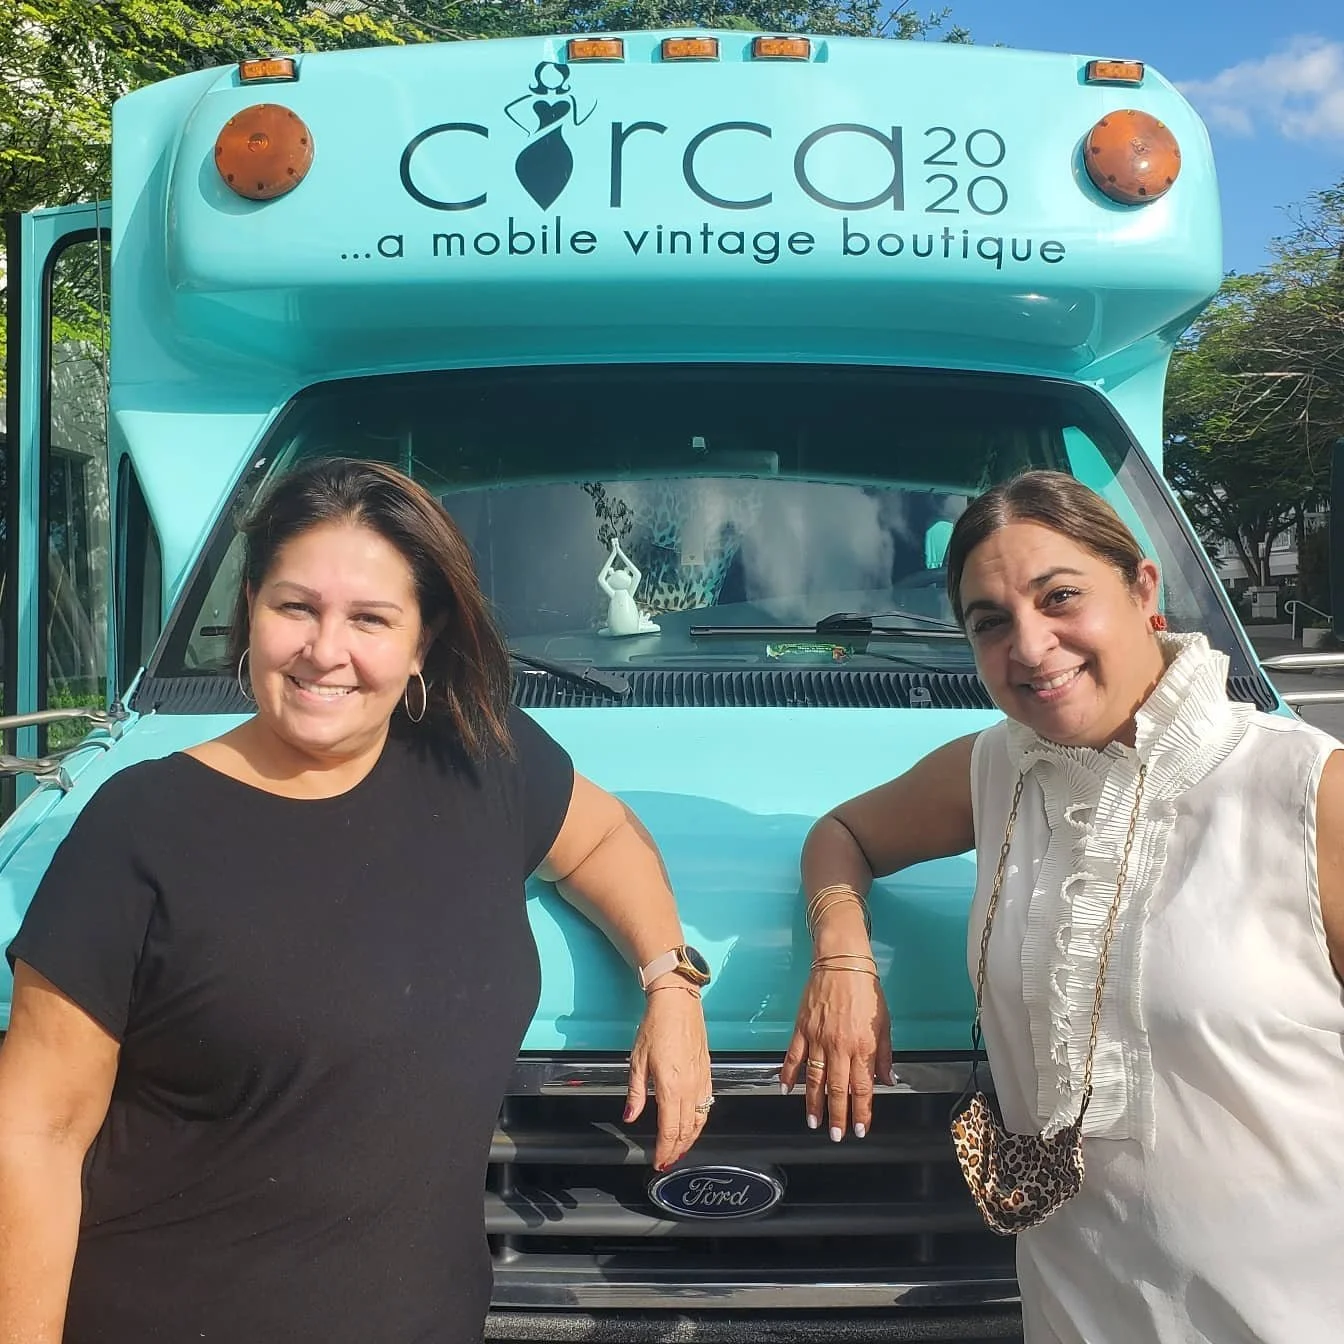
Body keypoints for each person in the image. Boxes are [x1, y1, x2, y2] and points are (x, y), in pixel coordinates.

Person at [0, 458, 713, 1344]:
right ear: (250, 606)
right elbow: (34, 1134)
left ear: (423, 641)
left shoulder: (481, 761)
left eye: (370, 619)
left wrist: (670, 981)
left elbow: (608, 839)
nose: (324, 650)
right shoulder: (141, 824)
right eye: (294, 607)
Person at [781, 470, 1344, 1343]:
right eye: (991, 623)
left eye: (1061, 598)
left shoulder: (1307, 791)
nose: (1032, 647)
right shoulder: (998, 766)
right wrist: (844, 957)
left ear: (1143, 589)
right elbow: (841, 832)